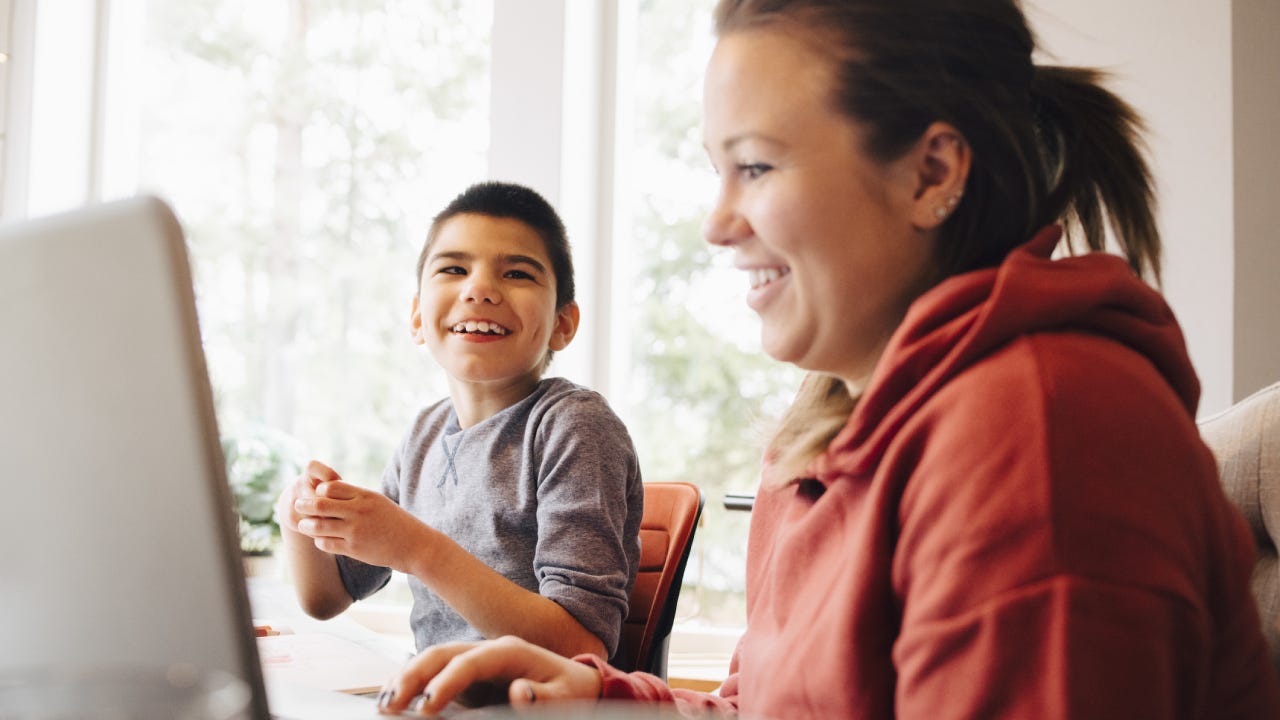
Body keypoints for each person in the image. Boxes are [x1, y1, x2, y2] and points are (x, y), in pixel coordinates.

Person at [377, 1, 1280, 718]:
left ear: (930, 175)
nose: (717, 223)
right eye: (717, 171)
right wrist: (600, 695)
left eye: (757, 168)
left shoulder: (1040, 430)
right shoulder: (824, 429)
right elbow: (759, 707)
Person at [275, 181, 644, 664]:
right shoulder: (424, 435)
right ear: (416, 316)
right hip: (435, 697)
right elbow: (326, 599)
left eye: (516, 273)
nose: (480, 290)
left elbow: (580, 647)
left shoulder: (574, 427)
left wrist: (418, 549)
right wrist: (299, 516)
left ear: (563, 323)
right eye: (453, 268)